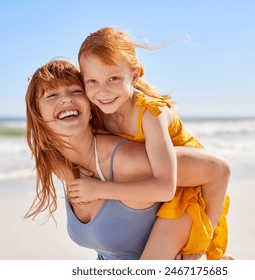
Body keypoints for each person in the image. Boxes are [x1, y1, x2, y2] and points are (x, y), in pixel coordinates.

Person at [25, 60, 231, 260]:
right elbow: (42, 146)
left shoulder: (129, 160)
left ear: (90, 104)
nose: (66, 99)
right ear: (38, 114)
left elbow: (218, 169)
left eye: (76, 91)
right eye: (52, 94)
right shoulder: (61, 160)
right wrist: (71, 176)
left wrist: (202, 242)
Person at [75, 26, 230, 259]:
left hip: (186, 193)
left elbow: (166, 188)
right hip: (150, 193)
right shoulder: (99, 112)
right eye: (92, 81)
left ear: (134, 76)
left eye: (114, 78)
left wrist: (99, 189)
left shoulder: (150, 115)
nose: (103, 91)